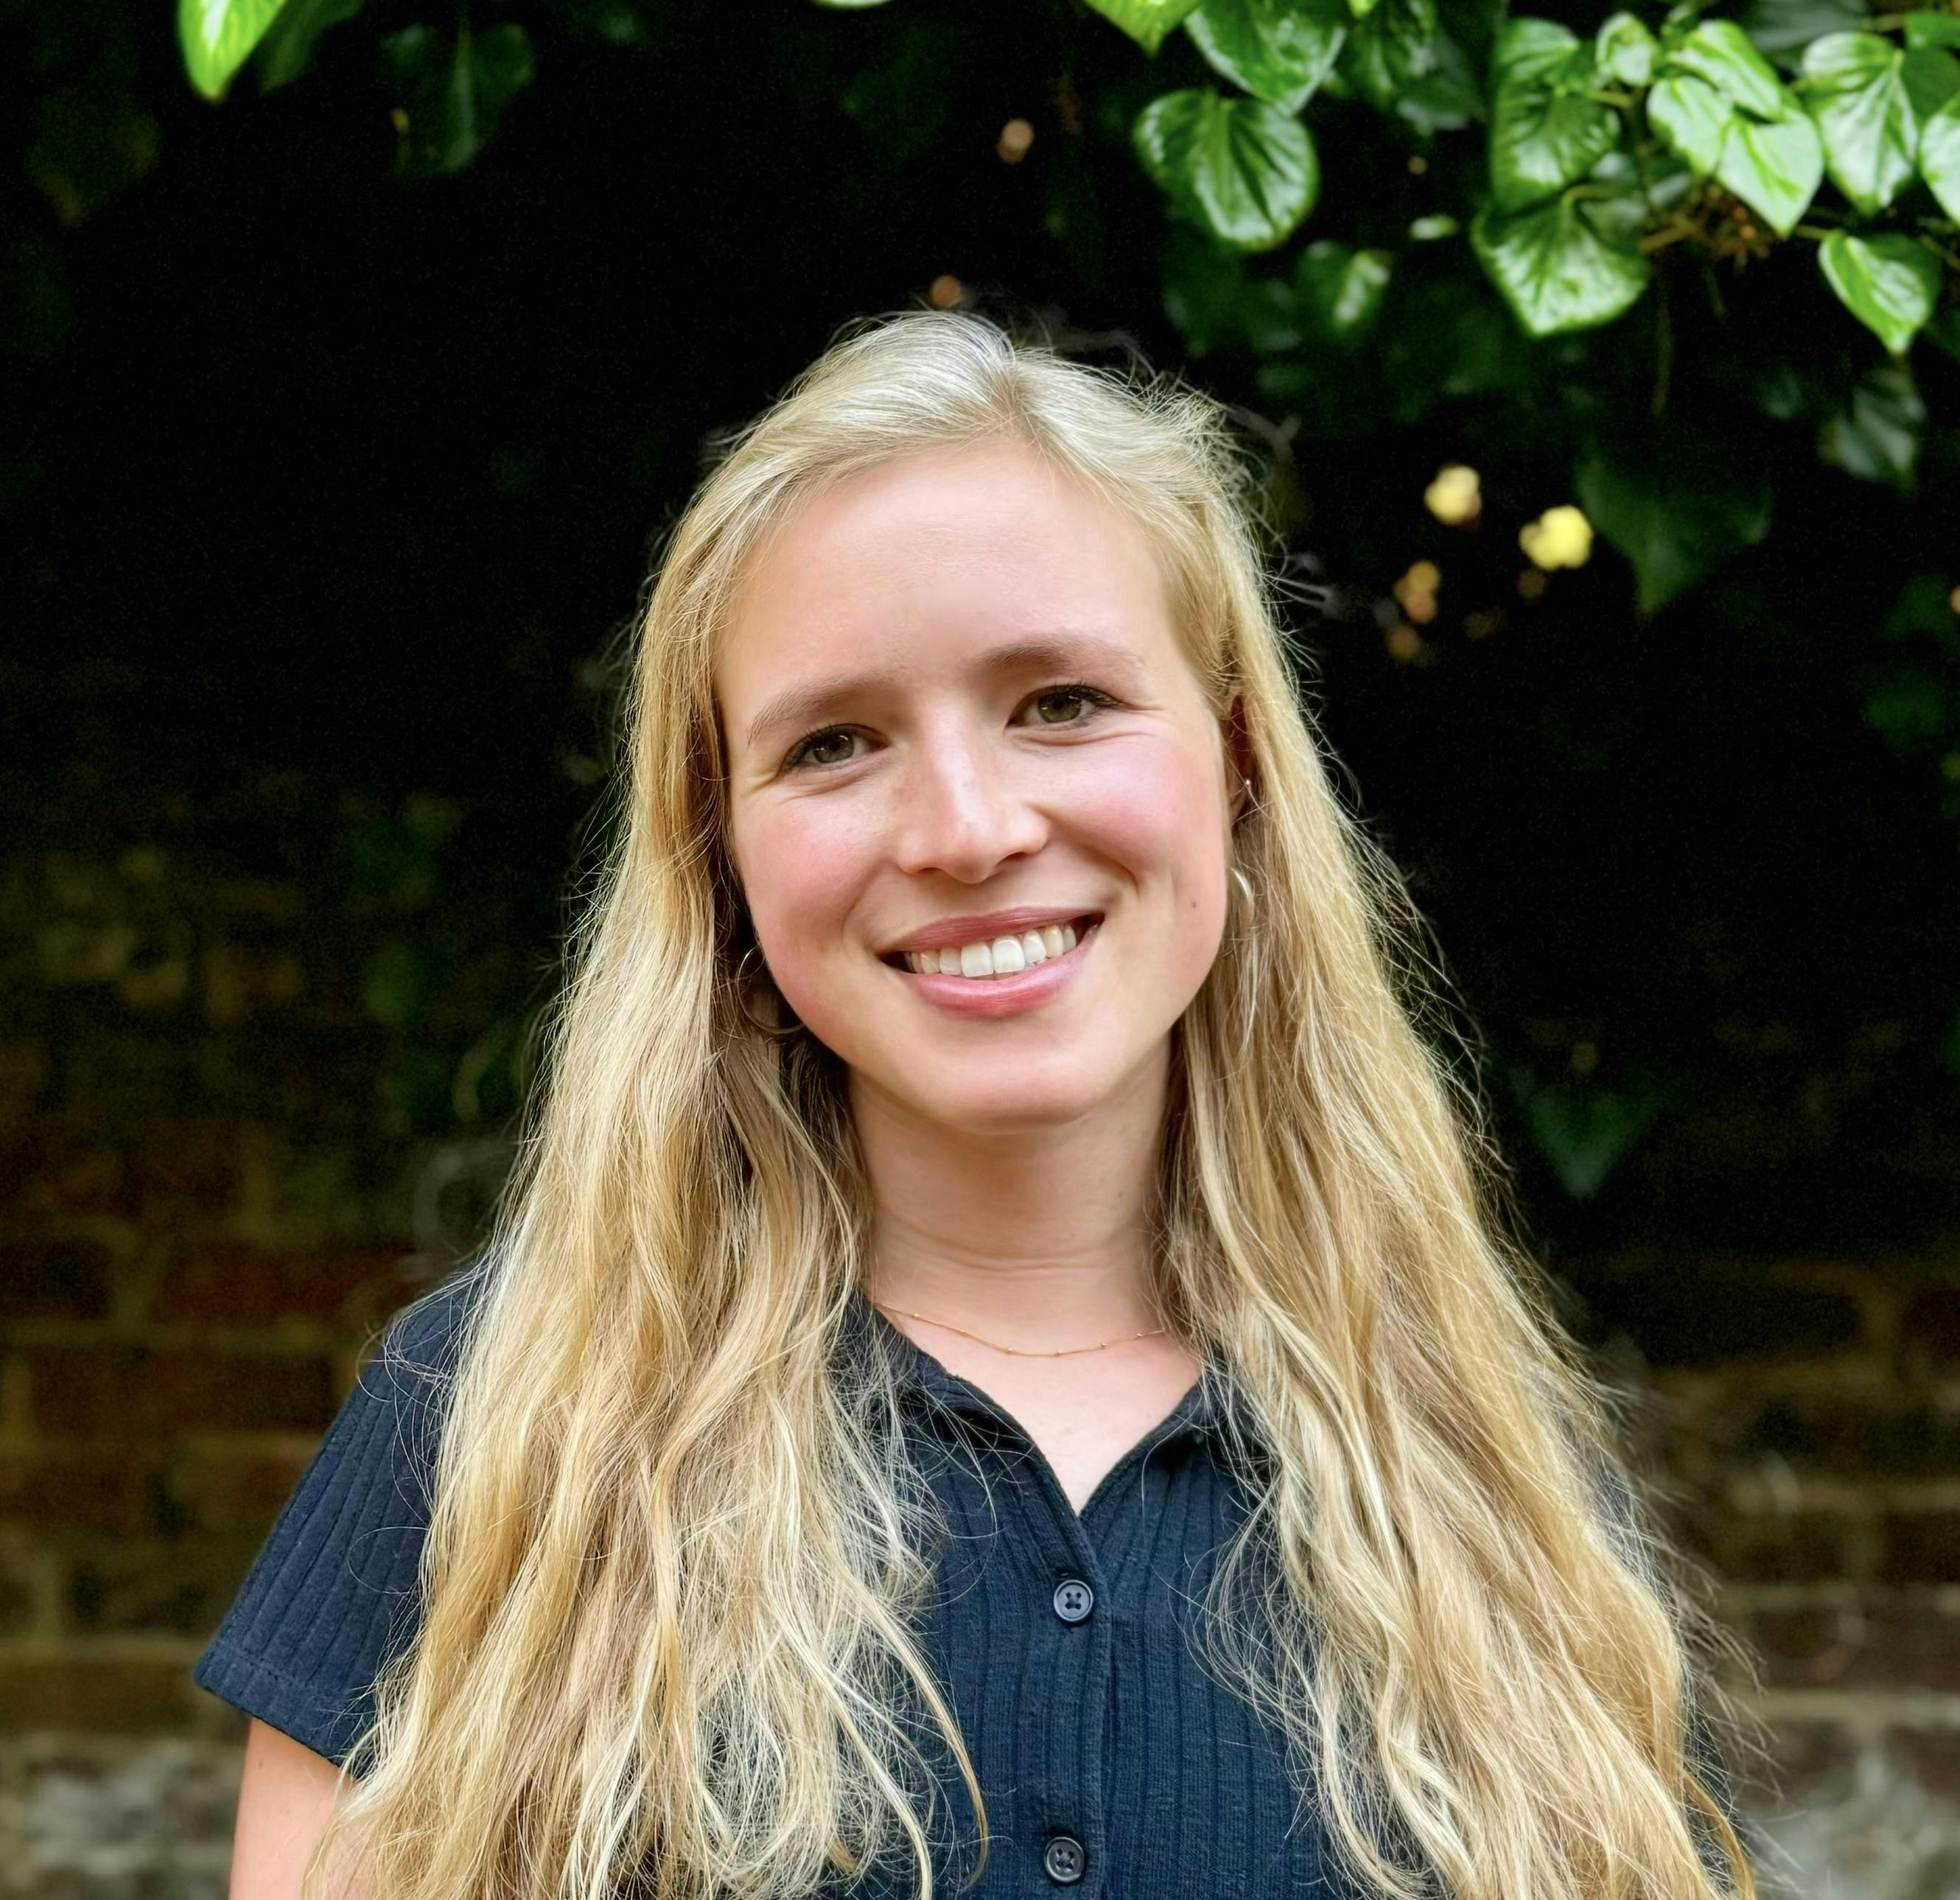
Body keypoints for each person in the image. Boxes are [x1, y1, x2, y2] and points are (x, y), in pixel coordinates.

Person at [195, 310, 1757, 1900]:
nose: (962, 826)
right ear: (721, 848)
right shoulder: (496, 1416)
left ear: (1231, 763)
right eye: (836, 741)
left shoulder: (1473, 1465)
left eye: (1062, 701)